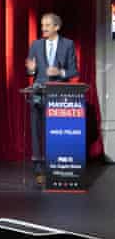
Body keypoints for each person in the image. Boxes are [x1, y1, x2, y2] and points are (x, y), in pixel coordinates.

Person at [24, 12, 77, 185]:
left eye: (47, 25)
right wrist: (31, 70)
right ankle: (39, 167)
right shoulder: (36, 45)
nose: (43, 28)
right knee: (37, 130)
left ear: (57, 27)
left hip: (58, 94)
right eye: (42, 25)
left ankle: (56, 165)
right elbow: (30, 71)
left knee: (54, 131)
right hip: (38, 93)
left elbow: (73, 71)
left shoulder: (68, 44)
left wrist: (60, 73)